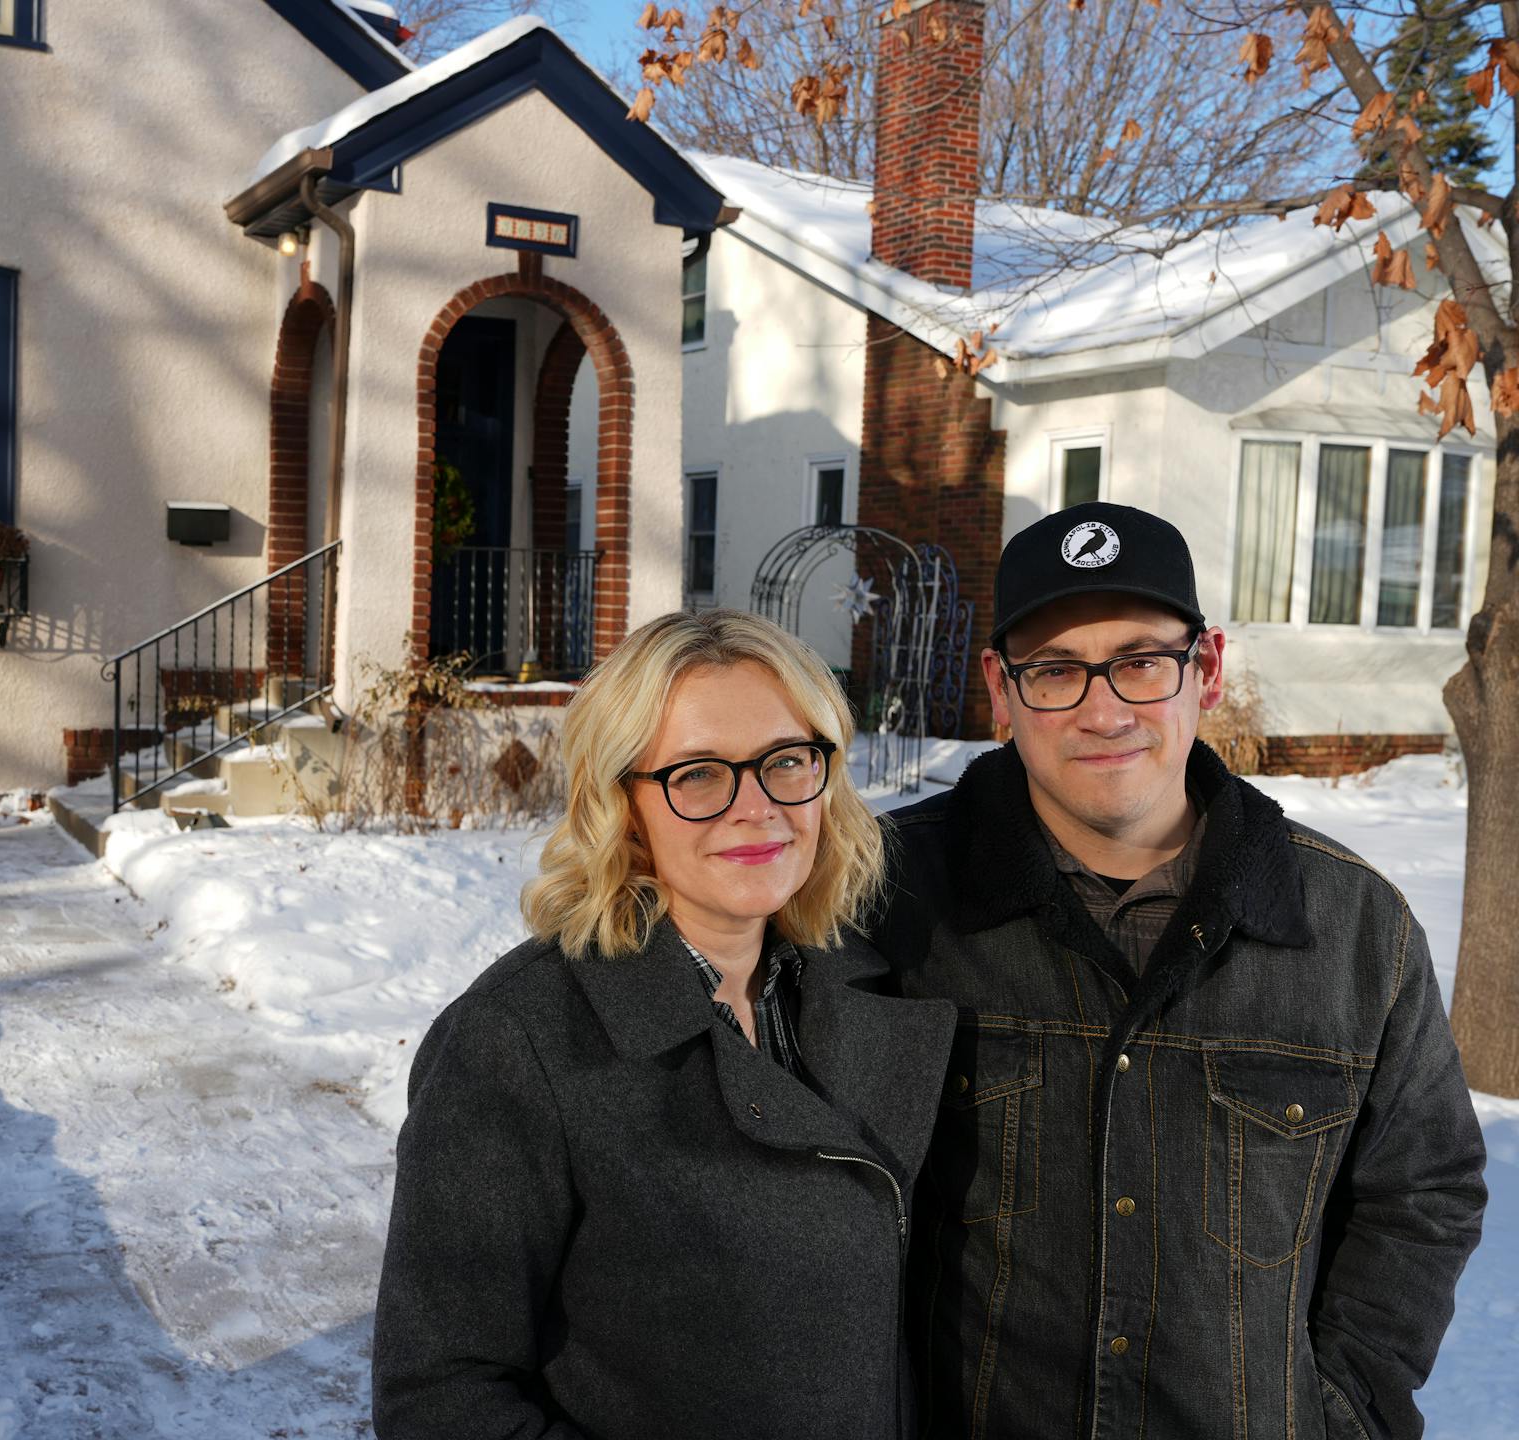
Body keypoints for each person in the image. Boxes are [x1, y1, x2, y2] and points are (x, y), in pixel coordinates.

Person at [870, 502, 1487, 1439]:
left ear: (1207, 669)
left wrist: (1340, 1409)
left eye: (1142, 662)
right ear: (1000, 687)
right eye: (1055, 670)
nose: (1103, 710)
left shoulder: (1355, 931)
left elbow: (1424, 1191)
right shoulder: (888, 903)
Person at [373, 609, 956, 1439]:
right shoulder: (519, 1040)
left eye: (787, 761)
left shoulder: (856, 984)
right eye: (700, 774)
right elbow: (440, 1397)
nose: (757, 807)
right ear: (622, 803)